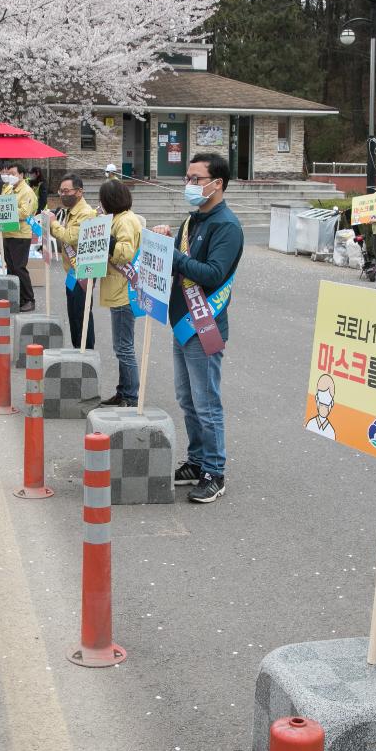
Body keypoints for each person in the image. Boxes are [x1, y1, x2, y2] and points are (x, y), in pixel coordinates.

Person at [150, 152, 244, 504]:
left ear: (217, 184)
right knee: (187, 400)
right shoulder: (193, 221)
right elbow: (178, 262)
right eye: (187, 178)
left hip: (205, 325)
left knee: (207, 403)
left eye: (196, 179)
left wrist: (174, 257)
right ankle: (196, 460)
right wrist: (163, 240)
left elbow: (212, 274)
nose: (188, 184)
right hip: (182, 322)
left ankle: (214, 472)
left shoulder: (227, 226)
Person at [97, 178, 143, 407]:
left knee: (124, 347)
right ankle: (123, 391)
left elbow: (124, 252)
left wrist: (107, 237)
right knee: (121, 346)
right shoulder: (119, 219)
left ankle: (131, 395)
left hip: (124, 291)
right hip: (119, 289)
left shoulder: (124, 221)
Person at [49, 173, 97, 349]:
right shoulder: (71, 211)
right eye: (60, 191)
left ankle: (86, 351)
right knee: (74, 314)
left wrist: (53, 223)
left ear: (79, 192)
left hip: (83, 272)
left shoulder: (85, 213)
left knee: (82, 315)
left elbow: (69, 237)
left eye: (66, 191)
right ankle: (77, 349)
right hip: (72, 272)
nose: (62, 194)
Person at [0, 160, 37, 312]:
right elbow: (1, 203)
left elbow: (25, 213)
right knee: (11, 268)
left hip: (21, 234)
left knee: (19, 267)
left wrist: (7, 211)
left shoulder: (27, 191)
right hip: (8, 232)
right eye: (8, 174)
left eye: (13, 174)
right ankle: (16, 298)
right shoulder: (9, 189)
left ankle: (29, 299)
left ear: (21, 175)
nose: (10, 177)